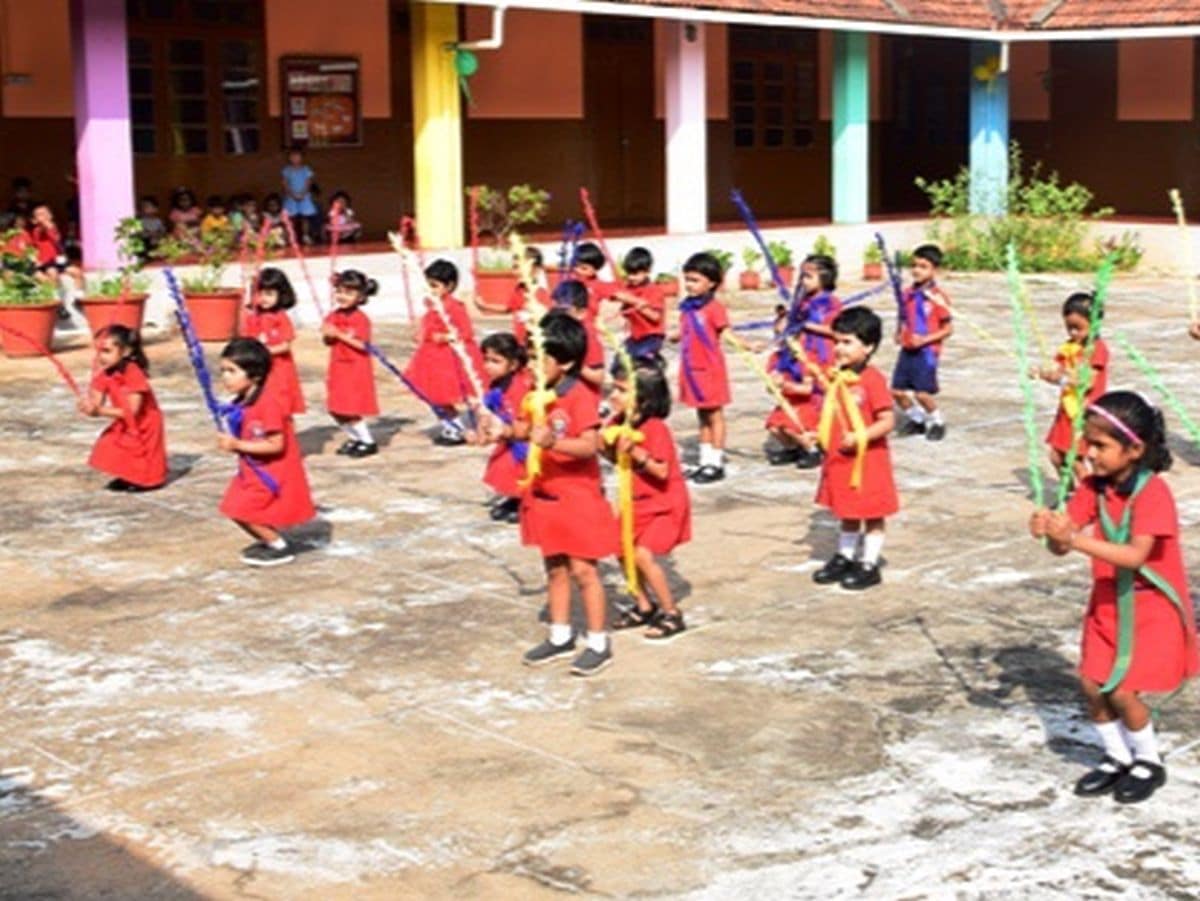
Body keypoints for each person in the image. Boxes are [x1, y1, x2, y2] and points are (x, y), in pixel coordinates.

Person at [1030, 391, 1198, 803]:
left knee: (1123, 689)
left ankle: (1149, 760)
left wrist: (1073, 540)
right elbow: (1063, 542)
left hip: (1148, 606)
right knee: (1091, 684)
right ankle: (1116, 756)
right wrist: (1051, 531)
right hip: (1107, 602)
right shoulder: (1093, 487)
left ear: (1135, 449)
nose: (1090, 453)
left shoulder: (1153, 493)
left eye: (1101, 445)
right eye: (1088, 442)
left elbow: (1136, 555)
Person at [513, 311, 619, 676]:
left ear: (567, 361)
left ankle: (598, 642)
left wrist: (554, 440)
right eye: (529, 357)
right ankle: (560, 635)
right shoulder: (535, 395)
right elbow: (522, 429)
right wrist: (499, 429)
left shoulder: (580, 398)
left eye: (539, 359)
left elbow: (590, 445)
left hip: (577, 496)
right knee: (554, 566)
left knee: (583, 570)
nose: (531, 366)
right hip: (546, 494)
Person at [811, 306, 899, 591]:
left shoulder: (872, 381)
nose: (839, 348)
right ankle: (845, 555)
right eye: (837, 341)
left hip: (868, 460)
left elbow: (887, 421)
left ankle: (869, 563)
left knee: (872, 512)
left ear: (869, 347)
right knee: (847, 510)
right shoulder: (837, 376)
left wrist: (861, 436)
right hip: (840, 458)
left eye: (847, 342)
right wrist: (819, 435)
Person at [603, 361, 691, 640]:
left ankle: (671, 612)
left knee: (642, 554)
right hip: (635, 501)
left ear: (644, 399)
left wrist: (637, 453)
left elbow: (662, 471)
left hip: (664, 502)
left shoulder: (655, 428)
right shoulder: (616, 423)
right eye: (614, 388)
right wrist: (604, 446)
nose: (613, 396)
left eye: (621, 390)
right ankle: (643, 604)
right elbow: (614, 458)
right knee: (619, 549)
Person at [216, 338, 316, 567]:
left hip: (270, 473)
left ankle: (279, 546)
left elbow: (275, 444)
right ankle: (269, 540)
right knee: (235, 506)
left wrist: (237, 445)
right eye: (223, 370)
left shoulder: (268, 404)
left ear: (255, 375)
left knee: (240, 509)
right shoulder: (244, 400)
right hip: (252, 470)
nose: (225, 377)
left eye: (232, 371)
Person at [403, 259, 485, 446]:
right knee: (434, 398)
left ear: (450, 286)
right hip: (433, 358)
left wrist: (444, 336)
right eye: (428, 285)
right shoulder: (432, 306)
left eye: (435, 286)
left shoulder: (454, 307)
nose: (430, 290)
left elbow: (465, 332)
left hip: (450, 360)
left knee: (464, 399)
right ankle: (453, 427)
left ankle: (464, 428)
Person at [78, 325, 168, 492]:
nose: (100, 357)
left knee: (143, 454)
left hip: (145, 422)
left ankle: (150, 481)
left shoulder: (133, 373)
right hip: (124, 420)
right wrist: (88, 406)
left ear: (126, 351)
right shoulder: (105, 374)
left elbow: (133, 411)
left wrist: (99, 411)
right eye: (97, 351)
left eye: (106, 351)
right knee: (112, 445)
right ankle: (128, 476)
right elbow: (96, 400)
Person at [1034, 292, 1110, 487]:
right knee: (1056, 456)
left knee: (1076, 460)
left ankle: (1089, 496)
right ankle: (1068, 492)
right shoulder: (1068, 347)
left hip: (1085, 412)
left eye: (1078, 328)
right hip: (1066, 411)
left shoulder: (1097, 349)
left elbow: (1088, 381)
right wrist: (1044, 373)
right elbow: (1058, 371)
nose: (1073, 333)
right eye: (1069, 328)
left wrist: (1064, 376)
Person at [671, 252, 732, 484]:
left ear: (712, 283)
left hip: (710, 369)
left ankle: (716, 461)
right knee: (701, 415)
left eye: (695, 280)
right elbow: (686, 331)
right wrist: (672, 336)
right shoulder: (688, 308)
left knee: (714, 414)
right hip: (691, 369)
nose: (689, 285)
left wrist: (750, 345)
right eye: (687, 279)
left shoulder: (714, 309)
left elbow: (726, 334)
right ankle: (705, 460)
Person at [891, 244, 953, 442]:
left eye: (923, 266)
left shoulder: (937, 297)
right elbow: (902, 317)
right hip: (908, 348)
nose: (917, 270)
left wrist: (925, 339)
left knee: (922, 393)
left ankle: (936, 421)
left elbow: (948, 328)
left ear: (935, 270)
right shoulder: (907, 293)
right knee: (897, 391)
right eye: (914, 265)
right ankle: (916, 418)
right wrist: (898, 332)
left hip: (926, 352)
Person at [471, 331, 531, 524]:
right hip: (507, 435)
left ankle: (526, 501)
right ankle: (515, 498)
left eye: (495, 361)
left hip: (523, 438)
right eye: (486, 360)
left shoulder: (522, 386)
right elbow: (489, 413)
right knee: (504, 468)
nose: (488, 365)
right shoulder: (495, 386)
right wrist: (481, 429)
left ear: (513, 364)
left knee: (522, 469)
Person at [321, 269, 380, 457]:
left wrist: (338, 334)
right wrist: (328, 335)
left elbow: (363, 346)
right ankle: (354, 437)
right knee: (335, 407)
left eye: (349, 292)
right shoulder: (334, 315)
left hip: (355, 369)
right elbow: (328, 342)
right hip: (338, 366)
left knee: (350, 407)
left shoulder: (361, 320)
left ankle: (367, 440)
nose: (342, 296)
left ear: (361, 296)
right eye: (339, 291)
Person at [242, 267, 306, 417]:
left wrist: (262, 351)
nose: (263, 298)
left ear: (281, 295)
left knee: (280, 406)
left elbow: (285, 346)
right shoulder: (253, 317)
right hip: (258, 371)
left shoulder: (281, 317)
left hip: (279, 371)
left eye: (269, 294)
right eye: (259, 293)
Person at [471, 246, 549, 345]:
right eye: (515, 267)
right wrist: (484, 306)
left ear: (536, 269)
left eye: (520, 267)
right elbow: (508, 308)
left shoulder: (540, 292)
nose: (516, 272)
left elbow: (546, 317)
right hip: (521, 341)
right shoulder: (519, 289)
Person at [610, 246, 666, 368]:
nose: (631, 277)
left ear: (647, 271)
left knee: (640, 362)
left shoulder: (654, 290)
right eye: (629, 273)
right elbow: (623, 308)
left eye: (635, 274)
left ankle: (655, 364)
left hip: (652, 336)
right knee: (618, 363)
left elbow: (655, 317)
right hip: (635, 337)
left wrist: (634, 301)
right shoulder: (629, 288)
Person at [554, 279, 605, 395]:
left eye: (564, 310)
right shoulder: (557, 329)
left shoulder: (588, 336)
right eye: (555, 309)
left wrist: (574, 364)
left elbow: (599, 377)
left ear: (581, 313)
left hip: (583, 400)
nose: (558, 315)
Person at [571, 241, 616, 320]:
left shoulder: (598, 285)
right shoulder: (572, 279)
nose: (577, 270)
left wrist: (637, 302)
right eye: (575, 265)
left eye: (583, 268)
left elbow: (619, 294)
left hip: (588, 324)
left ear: (595, 270)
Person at [281, 149, 318, 244]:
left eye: (297, 156)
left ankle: (305, 235)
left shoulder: (306, 169)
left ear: (302, 157)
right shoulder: (287, 170)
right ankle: (290, 236)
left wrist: (302, 194)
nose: (295, 158)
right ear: (289, 158)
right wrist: (292, 194)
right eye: (293, 156)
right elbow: (285, 184)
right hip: (291, 196)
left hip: (303, 196)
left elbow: (308, 183)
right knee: (291, 217)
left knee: (304, 217)